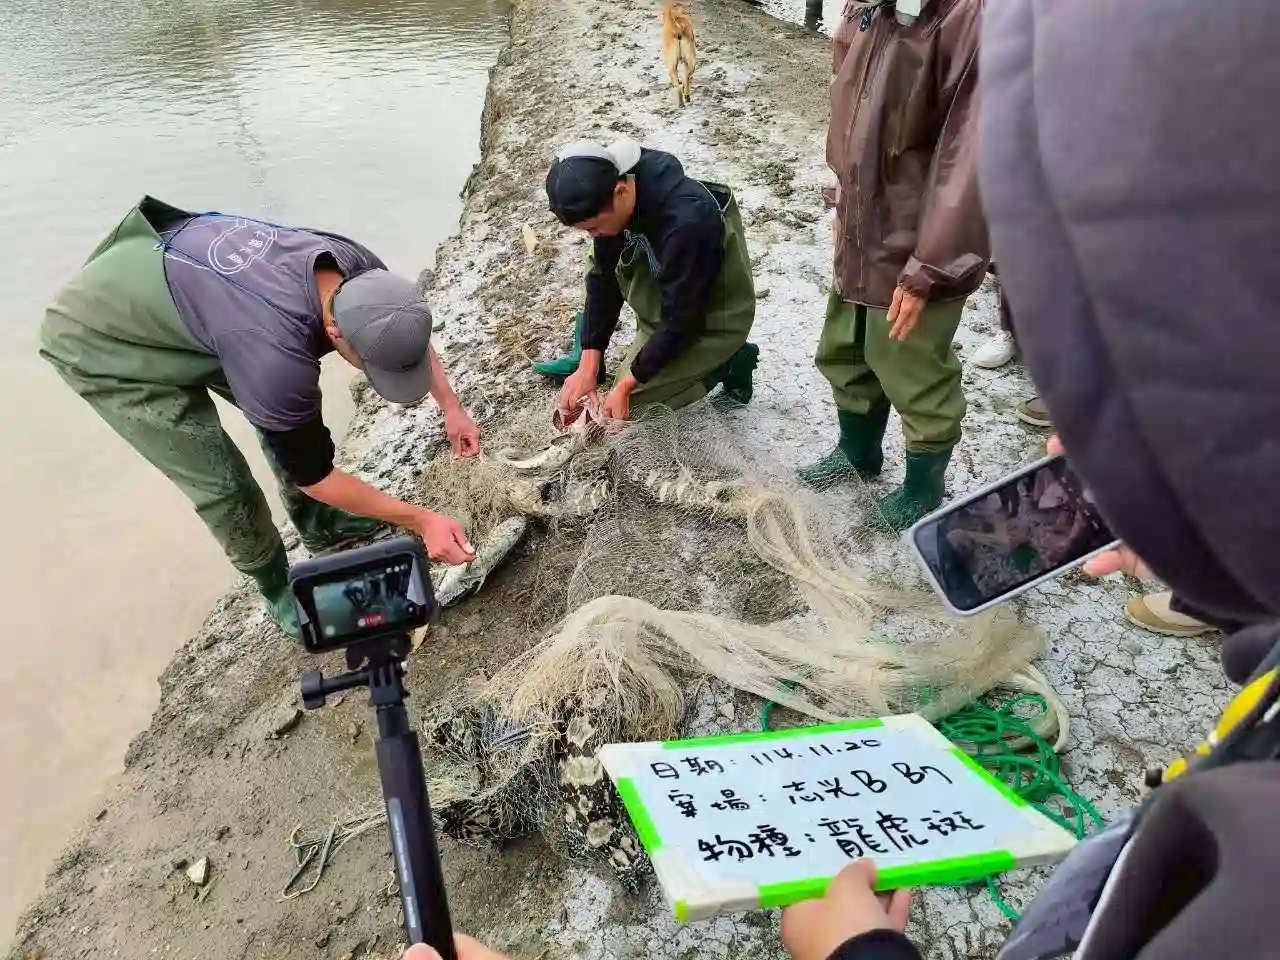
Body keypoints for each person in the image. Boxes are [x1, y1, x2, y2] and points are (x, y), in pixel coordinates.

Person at [40, 198, 479, 639]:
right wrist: (420, 519)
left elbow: (403, 331)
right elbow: (313, 474)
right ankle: (275, 589)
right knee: (223, 481)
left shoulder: (365, 274)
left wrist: (452, 407)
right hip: (104, 337)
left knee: (291, 413)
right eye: (372, 365)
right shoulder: (274, 358)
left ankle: (320, 524)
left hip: (206, 302)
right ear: (335, 334)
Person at [798, 0, 987, 530]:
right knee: (847, 346)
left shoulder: (972, 18)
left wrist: (931, 266)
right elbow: (849, 89)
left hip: (920, 239)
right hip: (862, 225)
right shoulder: (871, 7)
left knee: (912, 366)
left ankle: (923, 486)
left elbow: (974, 161)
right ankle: (858, 451)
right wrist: (843, 177)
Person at [544, 139, 759, 423]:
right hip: (668, 304)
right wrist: (589, 363)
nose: (592, 235)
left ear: (620, 192)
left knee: (628, 411)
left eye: (594, 227)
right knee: (599, 261)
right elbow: (604, 278)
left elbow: (683, 320)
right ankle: (673, 362)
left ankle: (728, 360)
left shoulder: (687, 223)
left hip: (710, 318)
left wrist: (626, 385)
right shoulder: (612, 186)